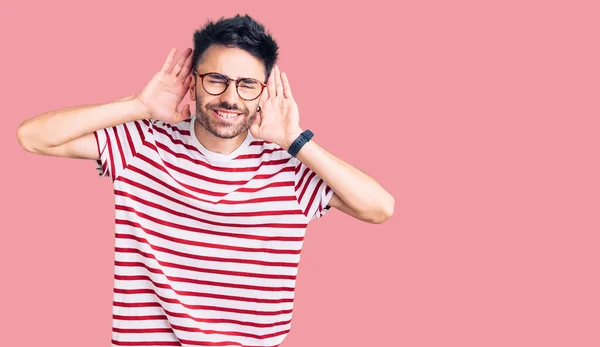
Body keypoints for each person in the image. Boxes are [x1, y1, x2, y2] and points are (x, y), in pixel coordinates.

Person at [17, 14, 394, 347]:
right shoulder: (142, 142)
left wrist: (295, 141)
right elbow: (33, 137)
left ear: (264, 94)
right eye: (217, 79)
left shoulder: (289, 167)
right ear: (193, 81)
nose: (230, 98)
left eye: (247, 84)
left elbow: (379, 208)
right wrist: (139, 105)